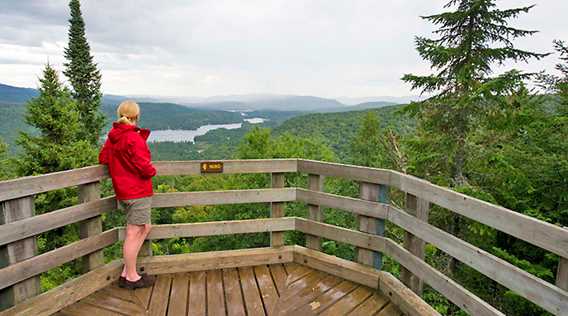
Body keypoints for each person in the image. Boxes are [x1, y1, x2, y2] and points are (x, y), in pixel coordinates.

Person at [98, 100, 156, 289]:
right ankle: (131, 277)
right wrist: (151, 171)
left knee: (145, 227)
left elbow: (103, 158)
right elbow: (143, 166)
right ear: (136, 116)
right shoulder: (133, 138)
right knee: (133, 232)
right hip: (137, 191)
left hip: (124, 191)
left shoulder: (114, 137)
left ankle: (126, 272)